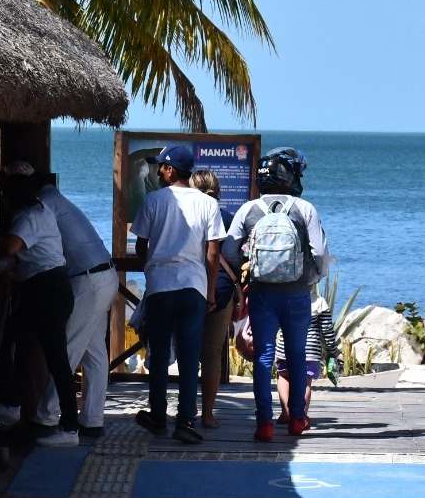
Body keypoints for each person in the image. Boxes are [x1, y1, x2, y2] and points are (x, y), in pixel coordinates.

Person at [5, 163, 122, 441]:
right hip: (105, 273)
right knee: (93, 354)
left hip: (85, 279)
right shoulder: (55, 199)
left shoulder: (41, 206)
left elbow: (20, 244)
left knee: (66, 349)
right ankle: (92, 419)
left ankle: (48, 419)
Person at [222, 147, 331, 442]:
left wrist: (247, 273)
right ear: (291, 176)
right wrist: (310, 278)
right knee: (296, 355)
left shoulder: (248, 210)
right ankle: (297, 419)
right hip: (297, 295)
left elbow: (229, 250)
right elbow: (319, 253)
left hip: (262, 295)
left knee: (263, 358)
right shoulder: (304, 208)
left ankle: (264, 424)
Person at [129, 144, 225, 445]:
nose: (158, 171)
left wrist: (153, 266)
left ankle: (158, 416)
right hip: (194, 286)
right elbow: (212, 254)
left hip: (160, 285)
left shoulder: (153, 200)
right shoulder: (208, 204)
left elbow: (141, 246)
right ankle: (185, 420)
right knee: (189, 356)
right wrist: (210, 294)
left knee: (158, 355)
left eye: (162, 166)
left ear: (171, 170)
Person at [0, 170, 81, 448]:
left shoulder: (26, 217)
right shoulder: (42, 210)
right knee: (8, 340)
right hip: (53, 288)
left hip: (45, 291)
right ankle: (11, 404)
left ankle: (68, 427)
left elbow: (10, 247)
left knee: (54, 358)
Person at [190, 168, 243, 429]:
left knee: (188, 351)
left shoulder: (187, 214)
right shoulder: (229, 218)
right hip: (222, 288)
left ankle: (185, 409)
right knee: (211, 354)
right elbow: (236, 257)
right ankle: (208, 414)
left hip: (190, 285)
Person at [276, 291, 338, 422]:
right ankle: (300, 416)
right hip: (310, 351)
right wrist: (332, 350)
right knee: (305, 382)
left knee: (284, 376)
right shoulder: (319, 302)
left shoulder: (283, 298)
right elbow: (327, 330)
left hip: (285, 347)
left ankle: (286, 413)